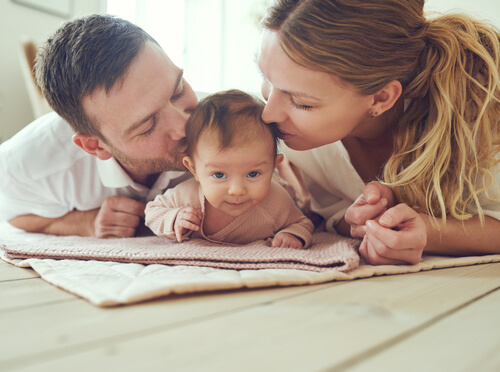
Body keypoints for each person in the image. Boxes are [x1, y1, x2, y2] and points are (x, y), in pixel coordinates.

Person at [257, 0, 500, 264]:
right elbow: (332, 212)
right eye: (266, 79)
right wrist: (357, 221)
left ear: (381, 97)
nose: (268, 113)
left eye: (301, 102)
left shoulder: (478, 118)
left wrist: (430, 231)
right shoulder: (289, 132)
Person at [0, 14, 197, 238]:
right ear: (95, 145)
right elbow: (14, 214)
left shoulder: (230, 125)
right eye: (148, 126)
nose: (186, 125)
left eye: (178, 90)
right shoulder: (25, 165)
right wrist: (85, 222)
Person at [145, 90, 314, 248]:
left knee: (301, 200)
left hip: (280, 183)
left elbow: (303, 222)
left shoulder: (277, 202)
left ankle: (285, 174)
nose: (237, 190)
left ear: (272, 165)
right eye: (219, 175)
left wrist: (292, 234)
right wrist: (173, 219)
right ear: (193, 169)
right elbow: (152, 212)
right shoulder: (188, 196)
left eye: (252, 174)